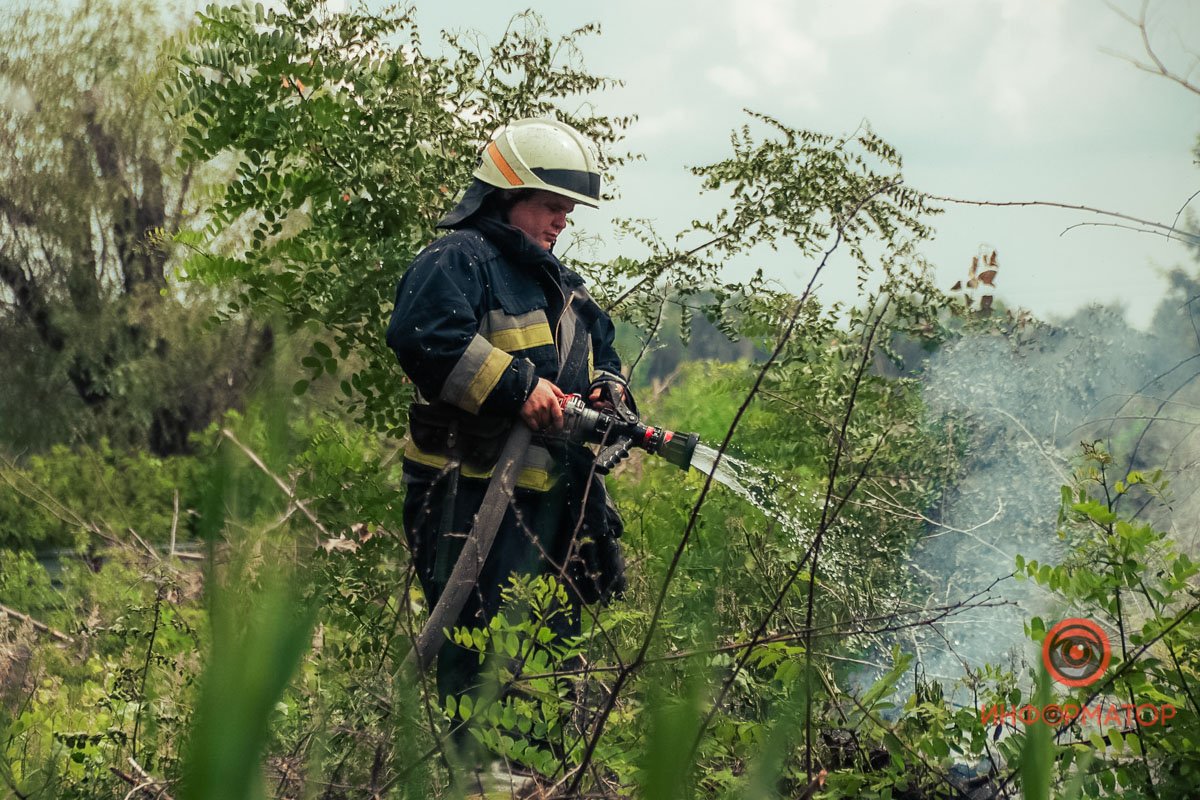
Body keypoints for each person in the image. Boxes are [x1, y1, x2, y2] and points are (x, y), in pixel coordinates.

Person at [385, 118, 630, 738]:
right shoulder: (457, 260)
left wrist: (609, 390)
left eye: (567, 211)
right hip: (466, 497)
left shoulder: (561, 285)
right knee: (482, 656)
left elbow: (601, 347)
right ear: (506, 196)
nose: (561, 222)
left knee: (545, 659)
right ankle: (481, 779)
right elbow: (426, 338)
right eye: (551, 207)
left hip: (550, 501)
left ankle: (538, 776)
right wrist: (519, 389)